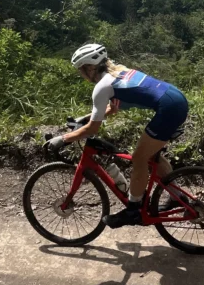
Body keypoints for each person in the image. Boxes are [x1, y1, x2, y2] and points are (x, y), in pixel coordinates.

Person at [46, 43, 189, 228]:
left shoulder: (102, 87)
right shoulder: (120, 72)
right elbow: (113, 108)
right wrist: (86, 118)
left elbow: (92, 130)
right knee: (152, 156)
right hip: (176, 98)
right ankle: (178, 197)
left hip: (168, 109)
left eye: (81, 70)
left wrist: (63, 139)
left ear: (90, 68)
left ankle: (134, 210)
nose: (81, 74)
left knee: (139, 158)